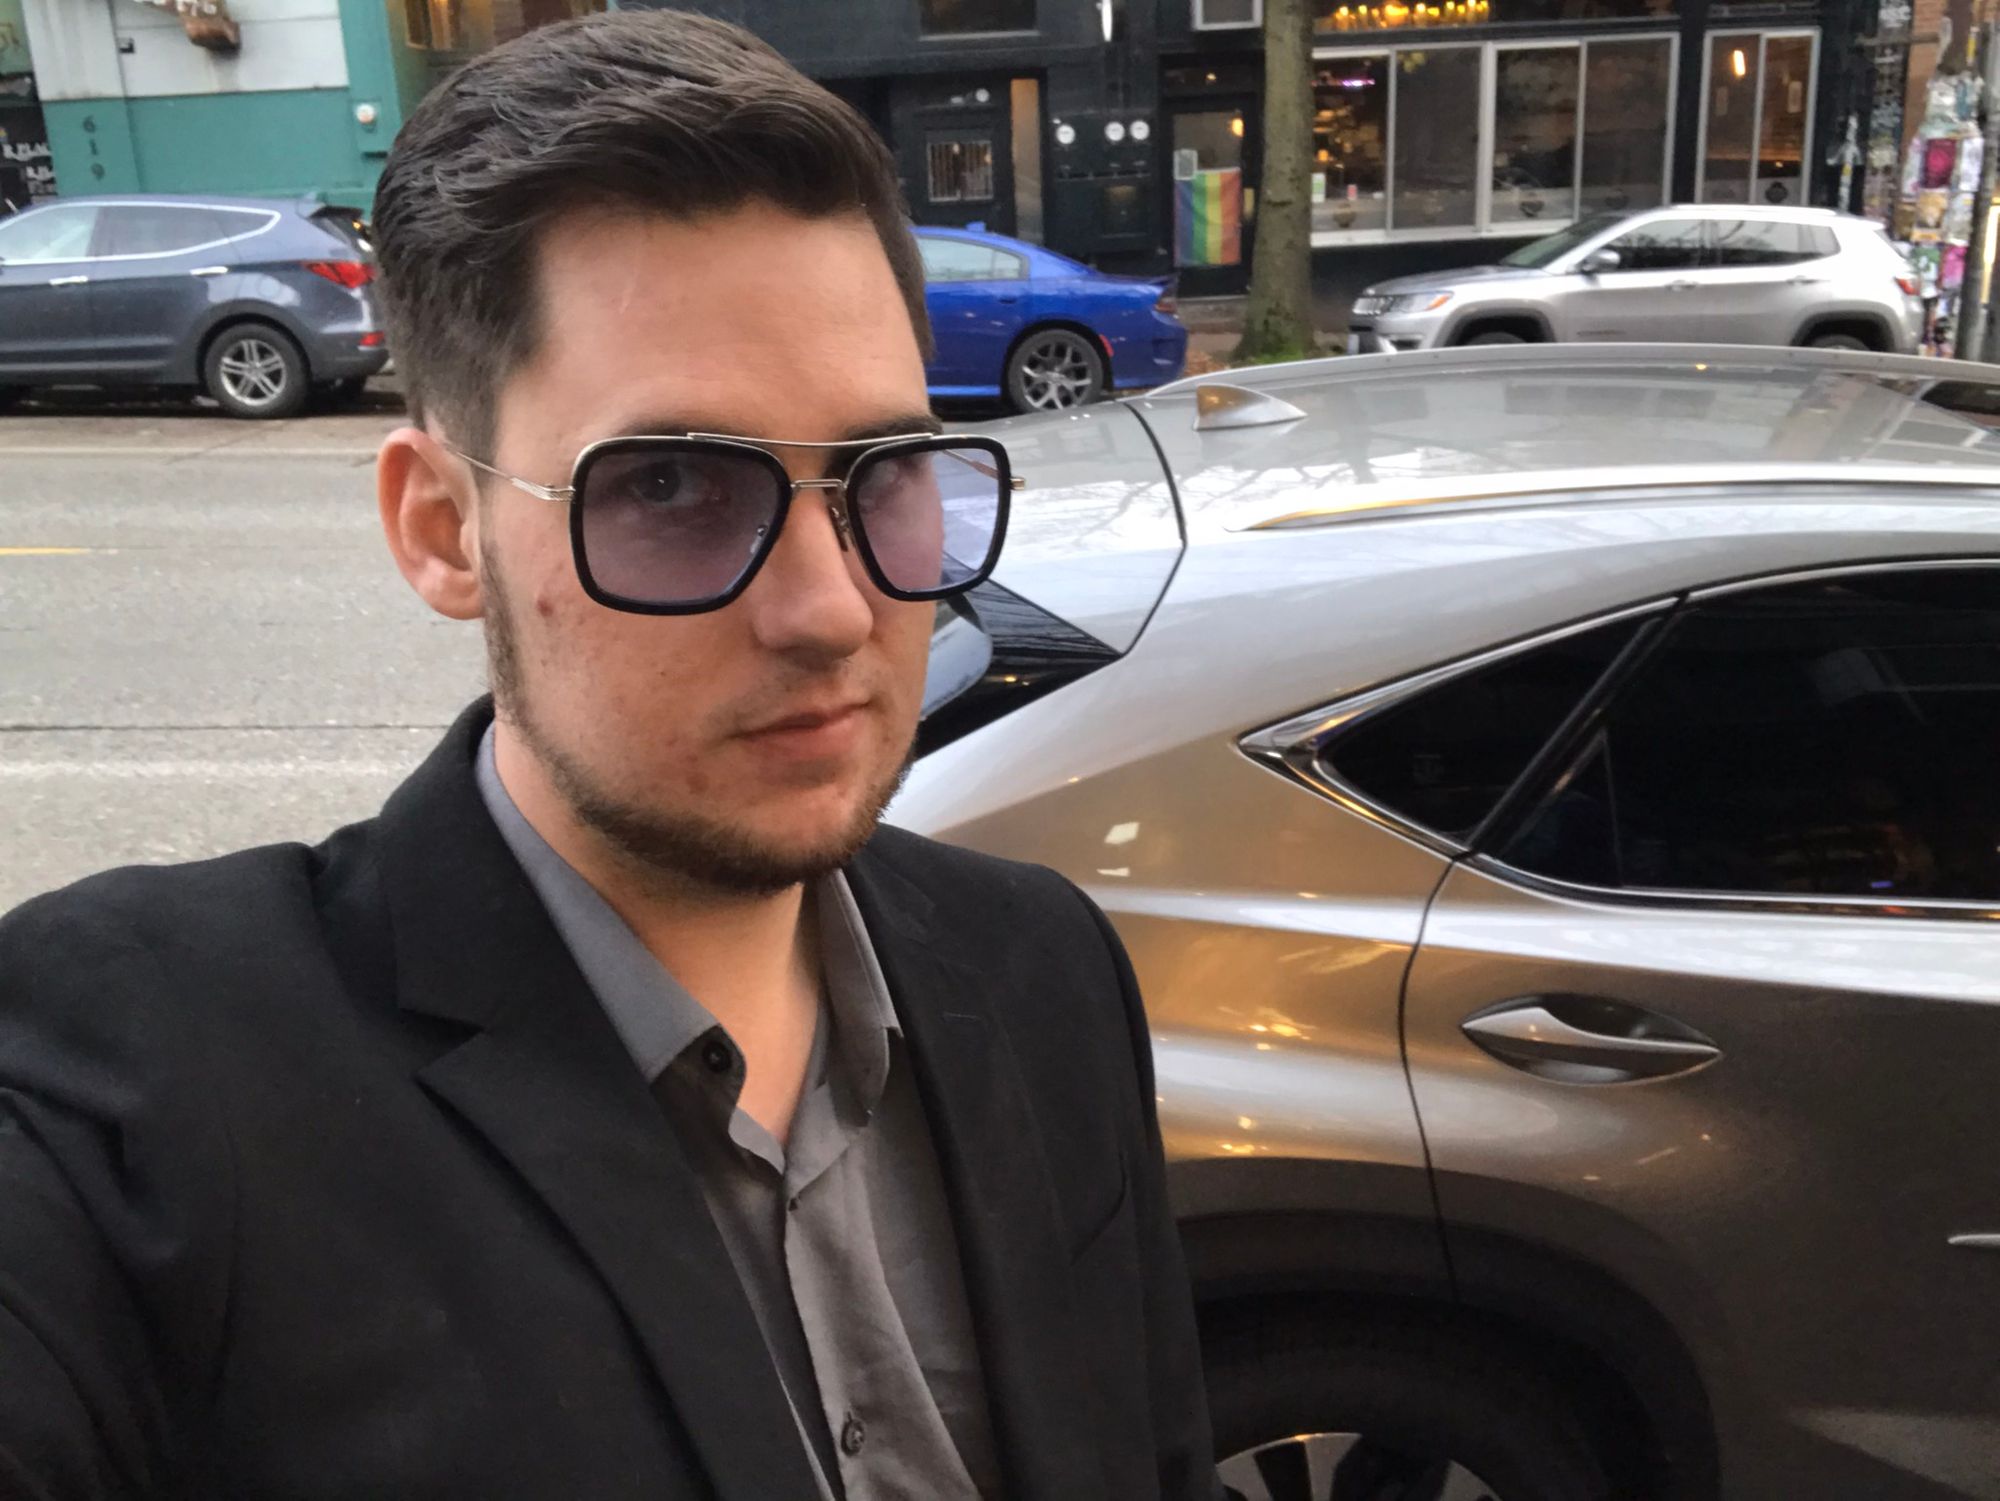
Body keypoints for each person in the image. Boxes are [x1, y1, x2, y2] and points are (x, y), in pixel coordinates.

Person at [0, 11, 1220, 1500]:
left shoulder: (1045, 972)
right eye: (671, 488)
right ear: (443, 529)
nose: (833, 609)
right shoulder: (140, 1088)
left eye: (882, 471)